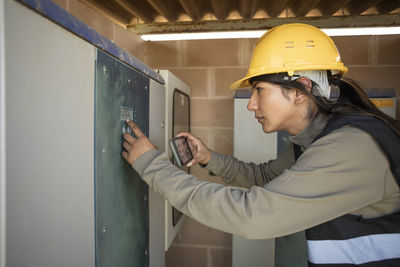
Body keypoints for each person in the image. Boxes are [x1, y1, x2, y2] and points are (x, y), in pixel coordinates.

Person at [121, 23, 400, 266]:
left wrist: (152, 165)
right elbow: (265, 178)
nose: (251, 104)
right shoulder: (321, 139)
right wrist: (209, 158)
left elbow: (251, 215)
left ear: (300, 90)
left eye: (259, 90)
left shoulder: (350, 148)